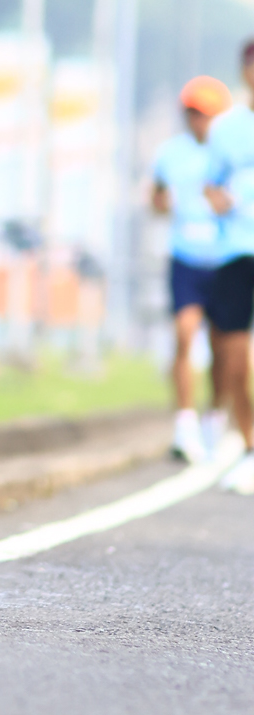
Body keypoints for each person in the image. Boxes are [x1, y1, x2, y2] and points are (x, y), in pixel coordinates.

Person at [150, 76, 231, 462]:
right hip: (185, 257)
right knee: (184, 333)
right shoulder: (170, 153)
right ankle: (185, 424)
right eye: (194, 113)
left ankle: (215, 416)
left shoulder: (232, 152)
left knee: (223, 346)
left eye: (207, 114)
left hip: (225, 258)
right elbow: (156, 196)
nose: (200, 121)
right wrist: (161, 203)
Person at [202, 40, 254, 495]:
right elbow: (210, 184)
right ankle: (249, 443)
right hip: (236, 249)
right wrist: (219, 200)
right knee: (235, 355)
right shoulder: (226, 129)